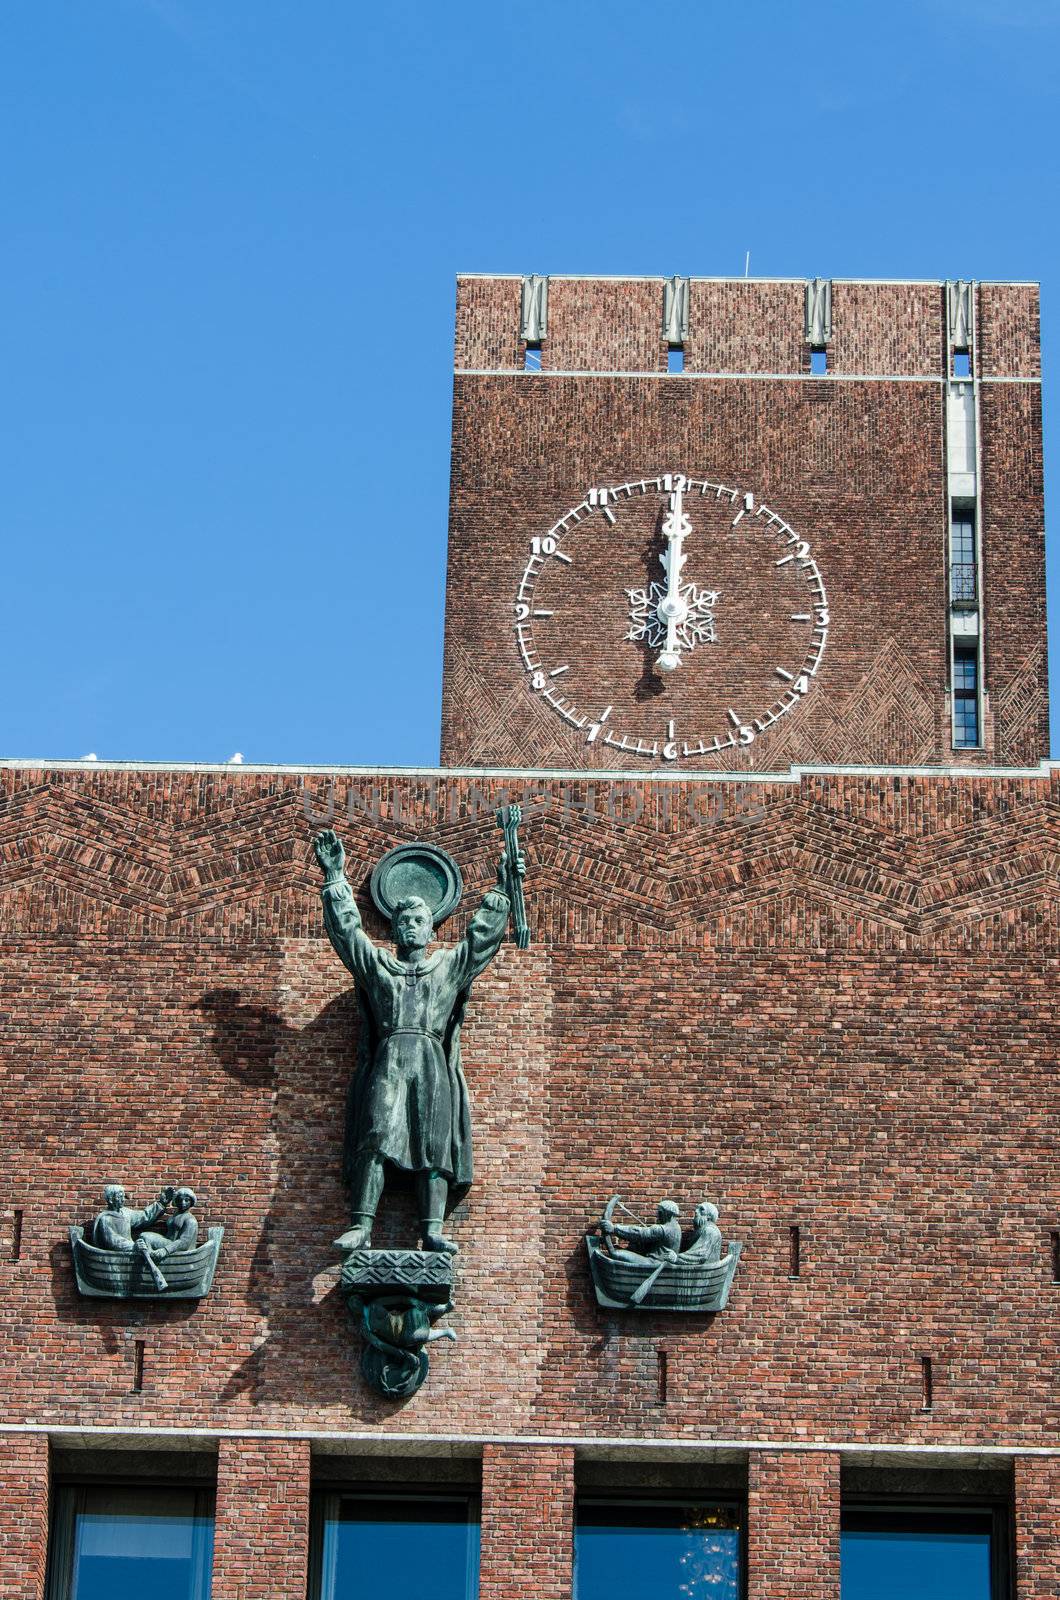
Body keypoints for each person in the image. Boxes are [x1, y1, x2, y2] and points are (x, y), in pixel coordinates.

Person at [314, 827, 522, 1254]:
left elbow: (482, 939)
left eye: (419, 921)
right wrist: (335, 878)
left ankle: (432, 1229)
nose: (411, 926)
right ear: (395, 928)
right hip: (390, 1056)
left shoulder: (447, 967)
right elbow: (349, 937)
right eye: (404, 921)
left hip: (430, 1060)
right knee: (375, 1133)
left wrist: (503, 889)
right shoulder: (379, 967)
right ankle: (362, 1225)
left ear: (431, 929)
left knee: (434, 1142)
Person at [91, 1182, 194, 1291]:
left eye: (123, 1197)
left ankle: (153, 1261)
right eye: (119, 1197)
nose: (123, 1200)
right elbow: (113, 1241)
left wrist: (161, 1203)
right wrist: (133, 1246)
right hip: (122, 1253)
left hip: (134, 1251)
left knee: (145, 1236)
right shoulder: (106, 1219)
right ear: (111, 1200)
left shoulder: (125, 1213)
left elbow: (143, 1216)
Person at [604, 1200, 682, 1260]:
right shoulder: (677, 1228)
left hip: (655, 1263)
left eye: (660, 1212)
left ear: (668, 1214)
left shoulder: (662, 1229)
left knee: (618, 1254)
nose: (658, 1215)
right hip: (661, 1263)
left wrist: (614, 1229)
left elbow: (639, 1233)